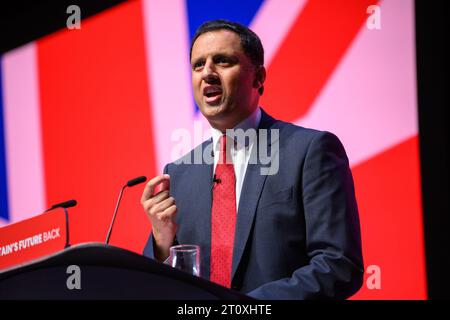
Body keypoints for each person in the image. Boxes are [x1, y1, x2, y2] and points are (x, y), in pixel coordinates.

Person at [141, 19, 363, 299]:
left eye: (222, 61)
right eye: (198, 64)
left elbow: (338, 265)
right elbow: (160, 286)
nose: (207, 73)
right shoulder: (179, 173)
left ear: (258, 78)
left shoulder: (310, 150)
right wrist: (162, 244)